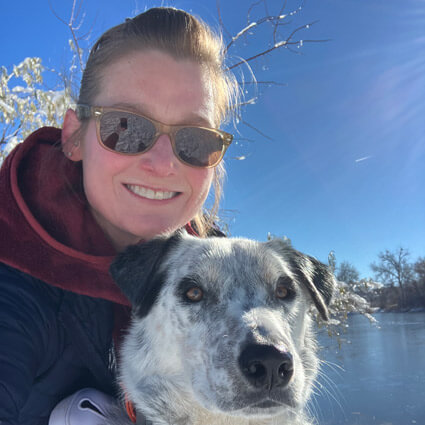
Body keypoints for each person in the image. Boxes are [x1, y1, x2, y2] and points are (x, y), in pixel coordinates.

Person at [0, 7, 239, 424]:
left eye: (196, 140)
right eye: (126, 127)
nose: (162, 163)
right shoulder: (16, 268)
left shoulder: (224, 279)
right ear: (74, 136)